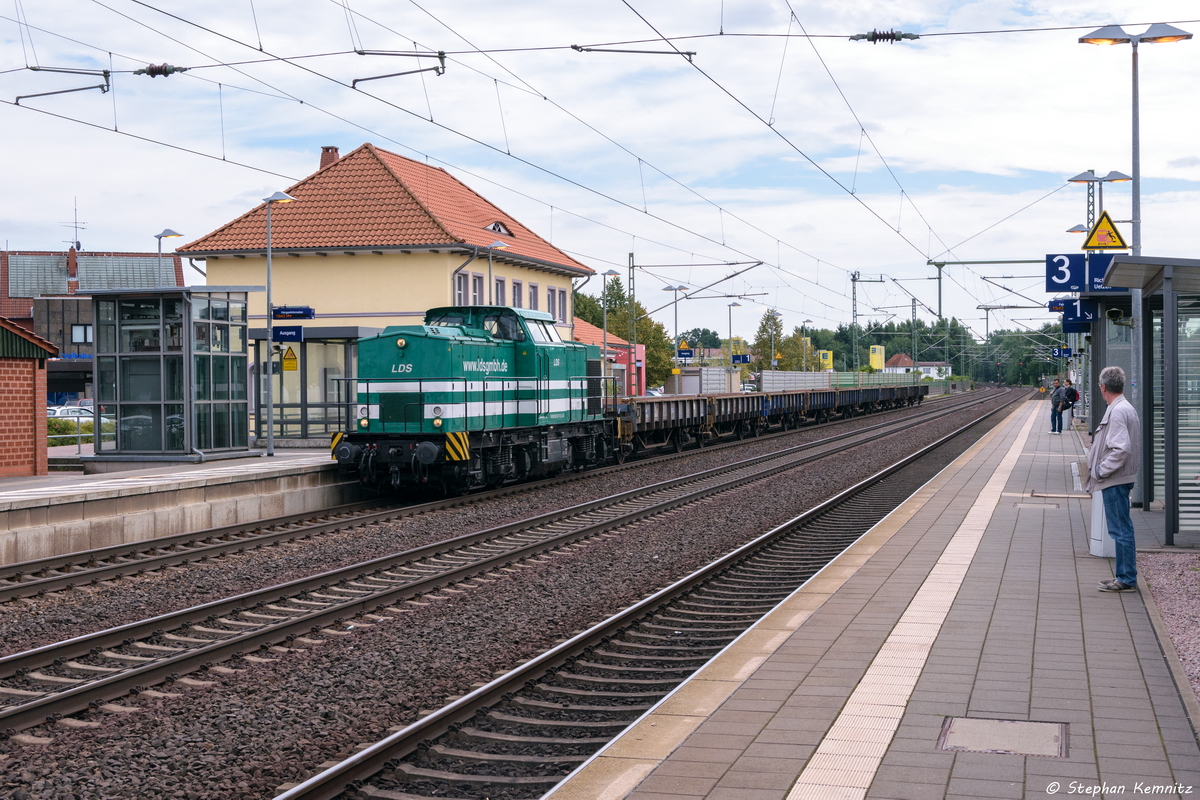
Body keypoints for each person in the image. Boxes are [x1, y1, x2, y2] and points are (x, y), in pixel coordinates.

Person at [1086, 366, 1142, 592]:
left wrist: (1100, 471)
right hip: (1119, 478)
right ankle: (1125, 576)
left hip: (1115, 479)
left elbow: (1121, 449)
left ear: (1103, 387)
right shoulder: (1124, 408)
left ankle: (1126, 578)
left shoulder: (1118, 411)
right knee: (1122, 529)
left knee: (1120, 530)